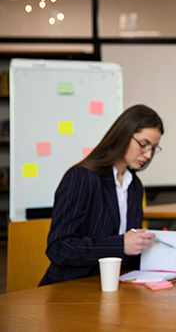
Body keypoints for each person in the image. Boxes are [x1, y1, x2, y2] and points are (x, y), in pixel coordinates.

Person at [40, 104, 164, 286]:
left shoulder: (134, 185)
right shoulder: (81, 177)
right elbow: (59, 249)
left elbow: (130, 250)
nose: (148, 154)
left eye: (154, 148)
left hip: (114, 285)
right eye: (143, 145)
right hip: (72, 287)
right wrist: (120, 245)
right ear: (123, 134)